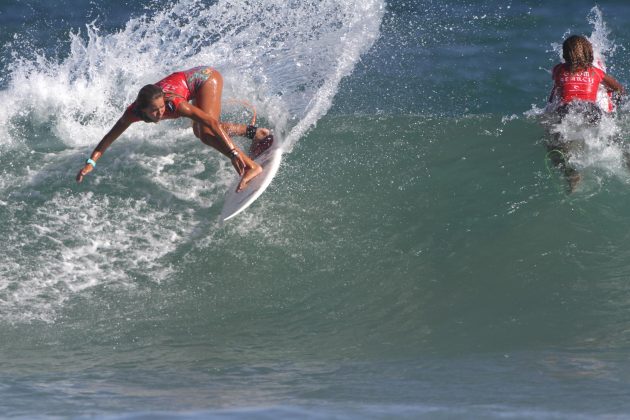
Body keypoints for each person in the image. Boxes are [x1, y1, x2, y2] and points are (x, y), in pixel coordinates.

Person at [76, 66, 274, 192]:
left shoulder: (175, 105)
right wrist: (90, 163)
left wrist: (232, 153)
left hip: (206, 79)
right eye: (154, 111)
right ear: (142, 109)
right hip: (192, 83)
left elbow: (211, 124)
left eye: (162, 107)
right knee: (200, 131)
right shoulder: (132, 114)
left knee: (205, 132)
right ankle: (257, 133)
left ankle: (252, 167)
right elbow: (109, 138)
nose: (161, 113)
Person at [546, 35, 624, 191]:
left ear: (565, 55)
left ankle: (570, 173)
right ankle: (625, 157)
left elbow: (557, 89)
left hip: (567, 110)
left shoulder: (558, 70)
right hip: (591, 110)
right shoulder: (596, 72)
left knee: (553, 146)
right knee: (613, 139)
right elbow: (619, 89)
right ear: (590, 54)